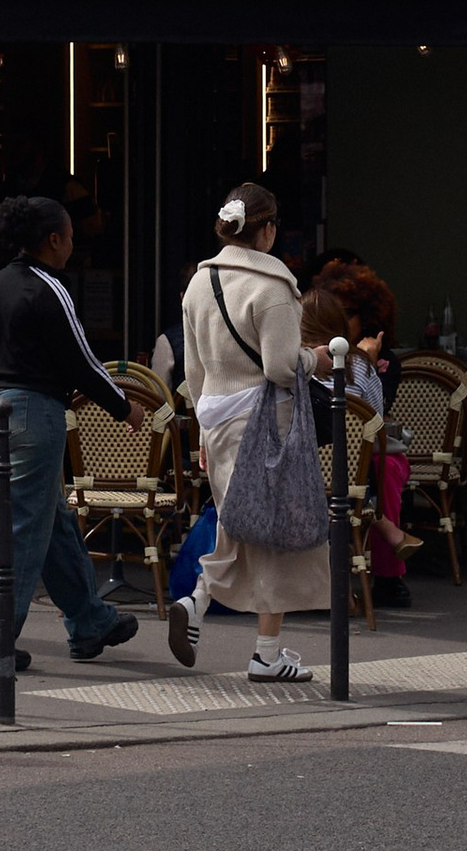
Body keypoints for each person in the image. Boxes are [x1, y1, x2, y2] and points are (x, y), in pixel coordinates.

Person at [0, 193, 142, 675]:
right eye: (71, 237)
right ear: (52, 240)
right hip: (32, 415)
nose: (74, 245)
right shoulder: (49, 287)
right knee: (17, 529)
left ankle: (89, 621)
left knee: (49, 521)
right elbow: (81, 359)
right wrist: (124, 407)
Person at [170, 179, 328, 686]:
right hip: (264, 424)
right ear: (265, 230)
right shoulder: (273, 286)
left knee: (239, 524)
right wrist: (317, 358)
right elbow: (282, 367)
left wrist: (199, 430)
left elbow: (193, 372)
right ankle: (264, 652)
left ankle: (198, 602)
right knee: (273, 536)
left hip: (215, 420)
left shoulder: (198, 283)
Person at [307, 258, 417, 606]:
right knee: (381, 473)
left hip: (317, 463)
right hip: (351, 468)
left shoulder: (290, 365)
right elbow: (375, 421)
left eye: (352, 312)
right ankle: (383, 535)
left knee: (387, 472)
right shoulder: (358, 366)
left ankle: (387, 576)